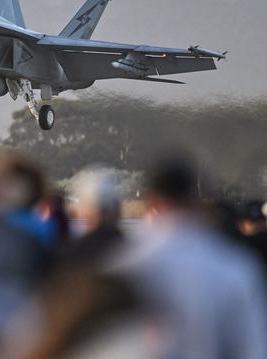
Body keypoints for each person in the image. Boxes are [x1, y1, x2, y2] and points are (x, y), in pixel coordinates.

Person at [111, 153, 267, 359]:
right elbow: (253, 349)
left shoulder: (120, 263)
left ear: (151, 201)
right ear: (194, 201)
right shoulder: (236, 266)